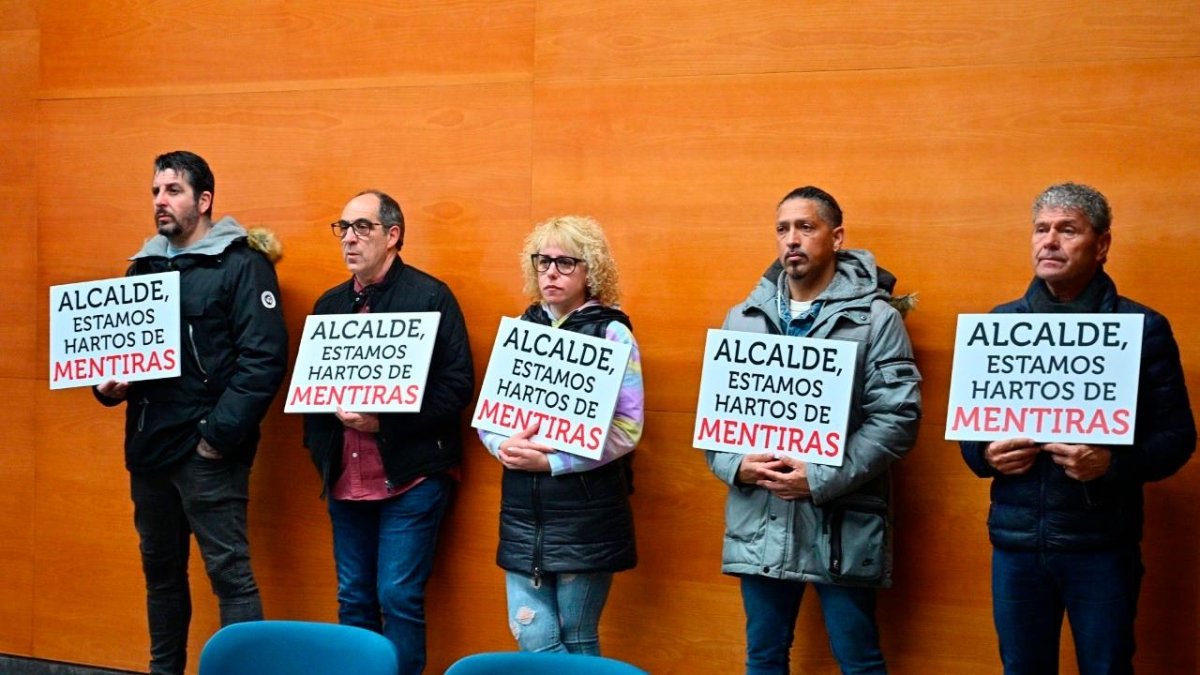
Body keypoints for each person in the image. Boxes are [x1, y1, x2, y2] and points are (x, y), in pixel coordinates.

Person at [959, 182, 1195, 674]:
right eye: (1041, 229)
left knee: (1107, 668)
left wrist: (1112, 463)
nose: (1050, 241)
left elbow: (1177, 438)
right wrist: (986, 455)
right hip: (1016, 545)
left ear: (1102, 245)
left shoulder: (1143, 327)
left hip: (1101, 547)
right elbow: (971, 440)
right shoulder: (998, 326)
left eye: (1068, 230)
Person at [706, 186, 922, 675]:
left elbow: (897, 419)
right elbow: (715, 422)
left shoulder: (876, 319)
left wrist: (822, 476)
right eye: (783, 229)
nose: (792, 240)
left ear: (836, 236)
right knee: (762, 659)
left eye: (806, 227)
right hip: (760, 522)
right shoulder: (743, 320)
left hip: (840, 525)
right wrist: (737, 465)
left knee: (859, 661)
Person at [93, 150, 289, 675]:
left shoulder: (242, 264)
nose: (160, 201)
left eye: (173, 191)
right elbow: (118, 355)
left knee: (231, 576)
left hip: (208, 453)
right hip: (148, 448)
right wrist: (108, 388)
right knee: (160, 575)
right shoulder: (142, 266)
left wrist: (215, 438)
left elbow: (264, 361)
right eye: (156, 191)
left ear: (203, 201)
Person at [303, 190, 474, 674]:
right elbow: (310, 388)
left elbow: (457, 387)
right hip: (345, 478)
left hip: (412, 478)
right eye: (342, 228)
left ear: (393, 235)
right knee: (353, 597)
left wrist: (385, 422)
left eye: (362, 228)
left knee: (397, 596)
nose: (349, 239)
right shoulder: (329, 304)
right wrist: (319, 445)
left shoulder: (430, 296)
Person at [477, 215, 644, 655]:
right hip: (521, 512)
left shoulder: (611, 333)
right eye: (543, 261)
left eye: (565, 262)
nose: (550, 271)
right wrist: (501, 445)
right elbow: (490, 416)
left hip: (585, 515)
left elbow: (627, 428)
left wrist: (553, 462)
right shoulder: (521, 328)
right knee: (531, 633)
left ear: (591, 270)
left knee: (575, 637)